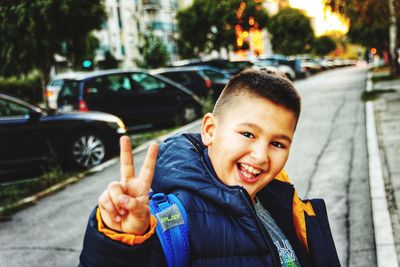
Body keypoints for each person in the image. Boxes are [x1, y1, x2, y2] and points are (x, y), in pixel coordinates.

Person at [79, 69, 340, 267]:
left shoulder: (281, 200)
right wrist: (119, 242)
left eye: (278, 144)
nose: (261, 156)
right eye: (248, 134)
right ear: (210, 130)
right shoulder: (169, 222)